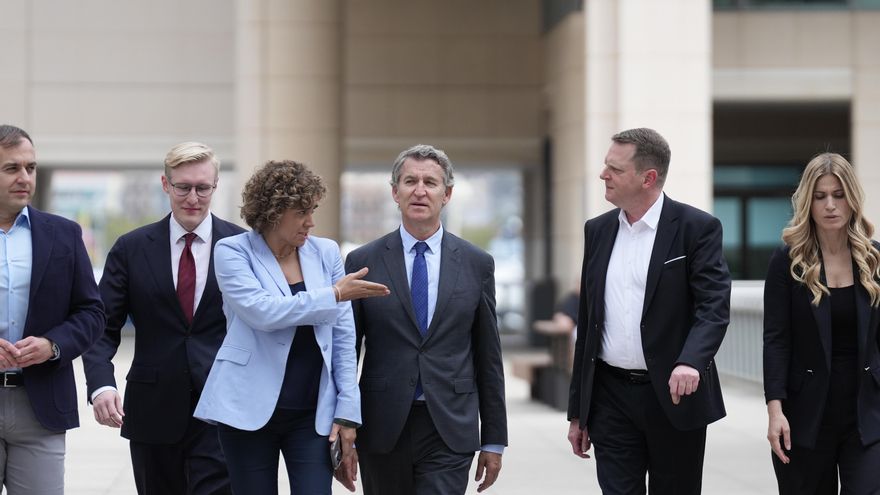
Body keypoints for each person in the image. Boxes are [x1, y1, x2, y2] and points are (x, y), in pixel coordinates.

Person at [194, 160, 389, 494]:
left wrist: (347, 410)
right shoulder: (232, 251)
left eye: (312, 210)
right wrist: (336, 294)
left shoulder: (326, 253)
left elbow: (343, 339)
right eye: (301, 212)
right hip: (246, 410)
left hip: (312, 414)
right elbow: (263, 312)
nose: (311, 222)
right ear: (273, 211)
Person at [566, 128, 731, 494]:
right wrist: (578, 410)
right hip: (610, 397)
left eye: (614, 168)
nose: (603, 175)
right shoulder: (598, 230)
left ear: (648, 178)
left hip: (673, 396)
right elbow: (589, 323)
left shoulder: (696, 228)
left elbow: (713, 307)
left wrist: (691, 360)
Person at [343, 144, 508, 494]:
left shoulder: (476, 263)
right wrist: (344, 425)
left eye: (430, 182)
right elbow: (346, 351)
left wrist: (494, 439)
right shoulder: (363, 260)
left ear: (446, 194)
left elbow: (488, 356)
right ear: (394, 192)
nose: (419, 190)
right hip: (382, 426)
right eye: (410, 181)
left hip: (450, 427)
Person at [81, 142, 243, 494]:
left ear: (215, 186)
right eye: (183, 187)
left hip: (223, 407)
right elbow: (102, 327)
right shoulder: (131, 248)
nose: (193, 198)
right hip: (152, 411)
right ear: (165, 185)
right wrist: (101, 385)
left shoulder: (242, 246)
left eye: (203, 188)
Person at [763, 152, 880, 494]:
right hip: (805, 416)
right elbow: (776, 340)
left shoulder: (874, 259)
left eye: (839, 194)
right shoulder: (787, 261)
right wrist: (775, 410)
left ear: (852, 199)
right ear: (808, 203)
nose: (830, 205)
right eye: (820, 196)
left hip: (867, 414)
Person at [0, 124, 105, 493]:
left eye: (30, 167)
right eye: (11, 168)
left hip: (41, 405)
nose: (24, 177)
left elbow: (92, 313)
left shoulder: (64, 234)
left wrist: (52, 345)